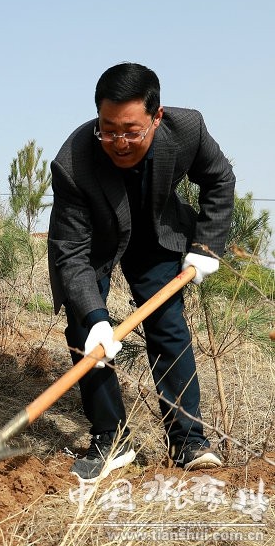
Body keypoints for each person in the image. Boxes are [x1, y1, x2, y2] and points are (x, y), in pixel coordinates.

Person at [47, 62, 235, 483]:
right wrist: (96, 318)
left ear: (157, 117)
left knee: (168, 326)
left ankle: (188, 442)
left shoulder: (188, 130)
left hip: (155, 234)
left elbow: (220, 180)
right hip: (94, 242)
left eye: (131, 131)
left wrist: (206, 247)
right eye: (108, 130)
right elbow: (71, 252)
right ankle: (111, 439)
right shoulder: (73, 162)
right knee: (85, 328)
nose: (119, 142)